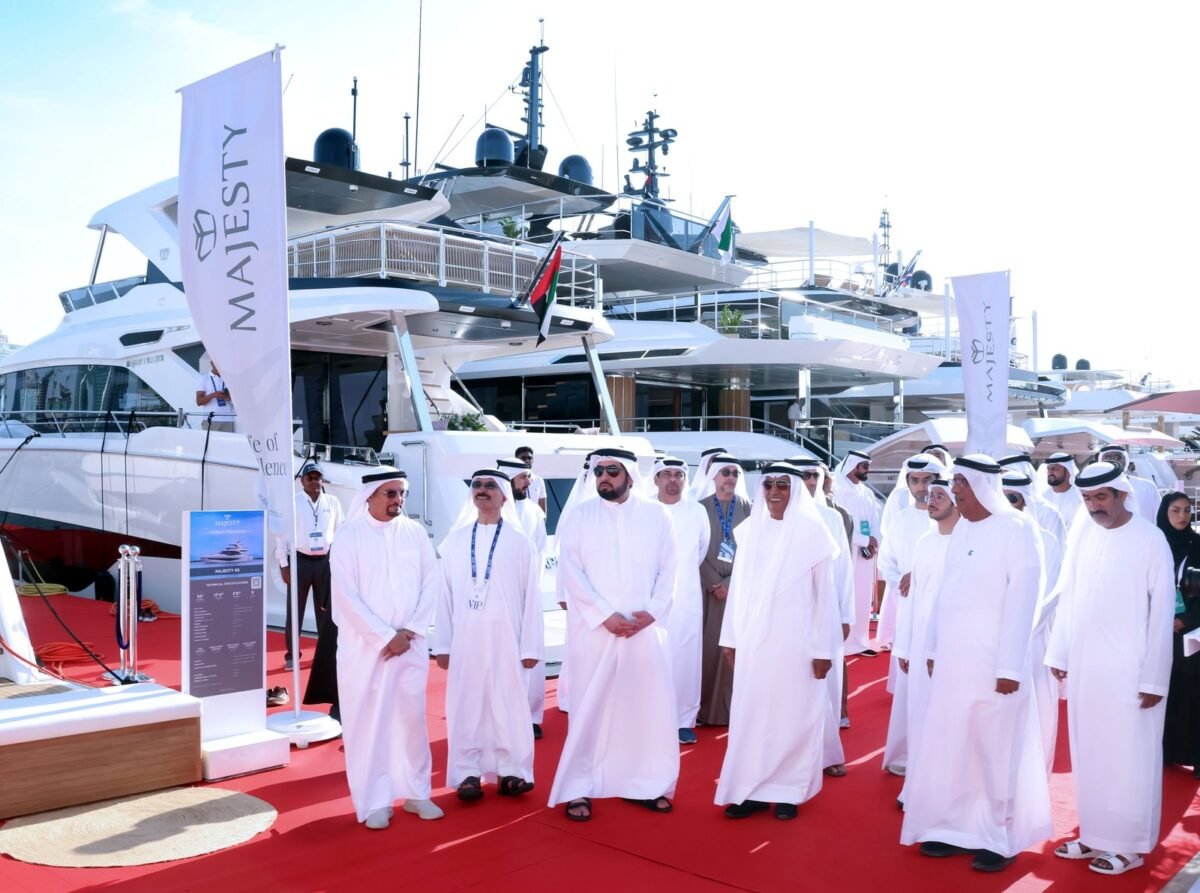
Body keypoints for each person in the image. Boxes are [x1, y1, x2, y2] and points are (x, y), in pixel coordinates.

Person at [900, 455, 1051, 874]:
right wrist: (933, 648)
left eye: (961, 485)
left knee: (995, 750)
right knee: (955, 745)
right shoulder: (964, 528)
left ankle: (998, 837)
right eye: (954, 484)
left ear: (983, 486)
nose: (954, 492)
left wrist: (1010, 668)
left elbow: (1025, 601)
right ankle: (954, 829)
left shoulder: (1018, 529)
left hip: (995, 666)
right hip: (954, 661)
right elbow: (944, 594)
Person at [1046, 462, 1175, 877]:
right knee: (1090, 753)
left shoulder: (1150, 539)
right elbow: (1069, 596)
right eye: (1086, 498)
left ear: (1122, 495)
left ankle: (1129, 845)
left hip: (1132, 670)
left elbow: (1161, 613)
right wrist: (1060, 653)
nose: (1093, 506)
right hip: (1087, 665)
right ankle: (1094, 834)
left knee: (1130, 757)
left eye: (1101, 497)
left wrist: (1155, 676)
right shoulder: (1083, 534)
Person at [548, 448, 679, 822]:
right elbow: (571, 572)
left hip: (643, 630)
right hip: (594, 631)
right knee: (589, 709)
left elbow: (670, 569)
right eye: (599, 471)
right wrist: (604, 615)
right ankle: (579, 787)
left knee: (643, 708)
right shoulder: (579, 516)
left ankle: (644, 782)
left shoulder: (658, 516)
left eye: (612, 470)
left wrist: (652, 612)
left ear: (631, 476)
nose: (603, 477)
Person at [715, 463, 838, 820]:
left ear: (795, 490)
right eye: (768, 484)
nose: (774, 491)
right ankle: (750, 791)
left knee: (793, 717)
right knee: (752, 718)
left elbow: (825, 597)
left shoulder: (814, 533)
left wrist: (823, 650)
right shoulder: (750, 530)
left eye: (783, 485)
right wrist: (730, 638)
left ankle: (789, 791)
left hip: (798, 643)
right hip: (753, 642)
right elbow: (738, 590)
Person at [331, 470, 442, 828]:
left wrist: (410, 630)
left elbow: (431, 582)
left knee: (411, 720)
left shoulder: (414, 532)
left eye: (401, 493)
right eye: (390, 493)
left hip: (410, 645)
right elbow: (346, 597)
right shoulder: (348, 536)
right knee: (368, 723)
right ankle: (374, 801)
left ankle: (417, 792)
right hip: (365, 649)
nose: (398, 500)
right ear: (370, 496)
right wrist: (384, 637)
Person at [433, 470, 543, 802]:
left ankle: (512, 771)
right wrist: (443, 644)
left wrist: (531, 646)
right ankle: (467, 773)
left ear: (504, 495)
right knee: (466, 704)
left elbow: (532, 597)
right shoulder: (455, 540)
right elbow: (444, 594)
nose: (482, 490)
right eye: (477, 485)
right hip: (466, 639)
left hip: (508, 638)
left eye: (490, 485)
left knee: (508, 704)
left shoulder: (519, 541)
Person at [893, 478, 958, 806]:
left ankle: (942, 793)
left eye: (940, 496)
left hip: (952, 647)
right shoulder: (924, 541)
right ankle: (916, 787)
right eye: (931, 495)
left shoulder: (967, 542)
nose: (931, 501)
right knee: (920, 715)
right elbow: (913, 598)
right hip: (919, 645)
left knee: (947, 721)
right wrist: (904, 646)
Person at [790, 456, 855, 774]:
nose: (810, 482)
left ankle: (825, 754)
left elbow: (843, 570)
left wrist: (845, 614)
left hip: (825, 611)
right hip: (787, 616)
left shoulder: (831, 518)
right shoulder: (775, 517)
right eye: (803, 476)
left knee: (824, 682)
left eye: (814, 476)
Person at [878, 455, 940, 777]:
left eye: (927, 480)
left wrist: (921, 576)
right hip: (908, 612)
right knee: (908, 684)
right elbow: (886, 562)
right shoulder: (900, 520)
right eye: (915, 480)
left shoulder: (950, 519)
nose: (922, 487)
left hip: (940, 615)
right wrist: (901, 580)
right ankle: (906, 754)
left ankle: (934, 757)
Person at [1002, 470, 1064, 774]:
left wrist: (1019, 632)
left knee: (1038, 713)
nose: (1008, 505)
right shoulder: (990, 536)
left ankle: (1034, 777)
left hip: (1036, 641)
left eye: (1013, 498)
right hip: (996, 642)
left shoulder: (1048, 538)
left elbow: (1052, 592)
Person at [651, 457, 711, 744]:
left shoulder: (697, 511)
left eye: (678, 475)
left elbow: (701, 550)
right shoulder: (645, 509)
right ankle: (651, 719)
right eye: (666, 474)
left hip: (686, 596)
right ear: (656, 479)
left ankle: (684, 720)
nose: (673, 480)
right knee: (651, 657)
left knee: (686, 657)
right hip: (649, 597)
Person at [696, 454, 751, 725]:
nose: (731, 477)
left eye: (735, 473)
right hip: (705, 591)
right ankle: (704, 710)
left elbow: (754, 551)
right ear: (714, 476)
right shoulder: (700, 508)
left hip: (738, 591)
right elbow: (693, 550)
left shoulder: (749, 508)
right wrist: (712, 582)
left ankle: (731, 711)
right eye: (725, 472)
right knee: (707, 649)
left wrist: (730, 584)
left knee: (734, 649)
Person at [498, 457, 549, 740]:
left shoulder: (532, 511)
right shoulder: (494, 511)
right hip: (497, 597)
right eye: (523, 478)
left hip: (528, 594)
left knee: (530, 655)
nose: (528, 482)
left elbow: (540, 551)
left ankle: (531, 716)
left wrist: (530, 589)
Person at [278, 462, 345, 673]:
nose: (314, 481)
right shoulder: (292, 503)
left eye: (318, 477)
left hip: (325, 563)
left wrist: (339, 563)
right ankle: (292, 656)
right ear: (302, 481)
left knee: (325, 612)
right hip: (300, 561)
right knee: (294, 611)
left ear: (322, 480)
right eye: (310, 478)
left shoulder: (332, 502)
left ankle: (326, 655)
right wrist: (284, 564)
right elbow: (281, 536)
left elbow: (341, 533)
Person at [1159, 492, 1200, 774]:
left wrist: (1184, 620)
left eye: (1187, 510)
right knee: (1164, 691)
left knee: (1192, 693)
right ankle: (1166, 752)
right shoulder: (1154, 543)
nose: (1182, 516)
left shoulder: (1197, 545)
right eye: (1175, 510)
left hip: (1190, 634)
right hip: (1155, 631)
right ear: (1165, 512)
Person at [832, 450, 882, 657]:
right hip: (846, 552)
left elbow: (874, 521)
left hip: (865, 555)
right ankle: (841, 644)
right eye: (864, 466)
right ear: (853, 466)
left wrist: (873, 542)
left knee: (862, 598)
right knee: (846, 596)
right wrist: (864, 540)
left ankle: (859, 642)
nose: (868, 470)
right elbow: (840, 526)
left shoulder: (866, 492)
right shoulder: (838, 490)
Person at [1098, 444, 1162, 520]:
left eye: (1118, 457)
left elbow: (1160, 517)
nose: (1113, 460)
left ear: (1126, 461)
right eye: (1108, 457)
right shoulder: (1094, 489)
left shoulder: (1147, 487)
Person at [1040, 452, 1084, 530]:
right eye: (1048, 469)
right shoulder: (1042, 497)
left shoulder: (1079, 498)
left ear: (1068, 471)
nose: (1050, 473)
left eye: (1055, 469)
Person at [195, 358, 237, 432]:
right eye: (217, 363)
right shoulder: (203, 379)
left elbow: (237, 399)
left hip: (228, 419)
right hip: (211, 419)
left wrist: (229, 397)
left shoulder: (229, 378)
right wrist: (213, 395)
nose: (219, 366)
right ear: (212, 363)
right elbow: (199, 402)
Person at [514, 446, 547, 513]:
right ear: (516, 460)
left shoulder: (539, 480)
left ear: (533, 460)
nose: (527, 461)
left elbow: (542, 510)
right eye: (523, 458)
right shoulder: (511, 480)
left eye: (529, 458)